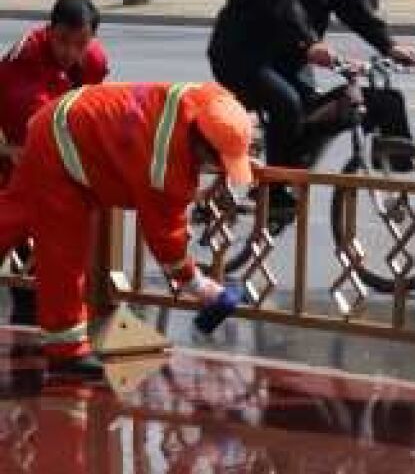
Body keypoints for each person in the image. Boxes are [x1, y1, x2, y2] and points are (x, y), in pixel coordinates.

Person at [0, 82, 253, 381]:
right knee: (63, 253)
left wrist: (238, 155)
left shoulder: (210, 102)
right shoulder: (164, 168)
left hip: (64, 120)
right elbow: (166, 240)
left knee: (12, 216)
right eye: (217, 162)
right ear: (201, 145)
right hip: (62, 145)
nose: (218, 170)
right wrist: (198, 285)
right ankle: (65, 353)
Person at [207, 0, 415, 216]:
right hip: (243, 56)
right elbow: (283, 6)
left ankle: (396, 178)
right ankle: (276, 192)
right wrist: (310, 44)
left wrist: (388, 45)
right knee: (287, 105)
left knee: (387, 101)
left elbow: (352, 5)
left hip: (291, 57)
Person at [0, 0, 110, 326]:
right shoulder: (26, 60)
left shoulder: (93, 59)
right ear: (50, 31)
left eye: (80, 43)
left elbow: (94, 108)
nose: (69, 52)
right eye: (62, 41)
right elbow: (34, 129)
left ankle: (47, 314)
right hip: (14, 157)